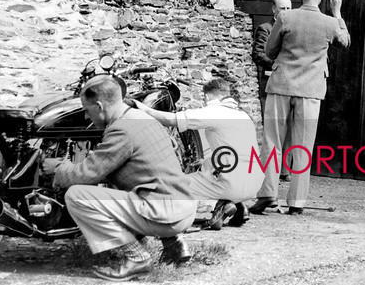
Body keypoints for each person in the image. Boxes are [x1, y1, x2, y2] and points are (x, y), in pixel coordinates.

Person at [41, 76, 198, 282]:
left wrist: (59, 168)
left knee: (77, 196)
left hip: (166, 214)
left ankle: (137, 258)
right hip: (182, 207)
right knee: (132, 180)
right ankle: (175, 246)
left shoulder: (121, 128)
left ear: (99, 106)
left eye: (87, 111)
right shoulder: (139, 117)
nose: (87, 118)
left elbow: (87, 173)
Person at [249, 0, 350, 215]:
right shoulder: (329, 22)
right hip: (310, 90)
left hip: (281, 85)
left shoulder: (285, 17)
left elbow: (269, 50)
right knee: (303, 145)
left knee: (272, 142)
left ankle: (267, 195)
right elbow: (344, 41)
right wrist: (337, 12)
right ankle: (297, 202)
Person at [137, 78, 264, 229]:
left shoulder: (214, 111)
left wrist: (143, 109)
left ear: (207, 97)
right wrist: (206, 161)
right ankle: (236, 204)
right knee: (210, 176)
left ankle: (217, 204)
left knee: (170, 187)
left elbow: (171, 120)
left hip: (231, 182)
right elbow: (237, 151)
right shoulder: (242, 115)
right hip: (254, 180)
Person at [251, 0, 294, 182]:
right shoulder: (265, 29)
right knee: (272, 127)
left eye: (289, 8)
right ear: (273, 10)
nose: (286, 12)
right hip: (270, 83)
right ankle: (270, 171)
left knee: (289, 128)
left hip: (290, 85)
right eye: (282, 8)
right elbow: (258, 54)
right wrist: (278, 64)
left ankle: (285, 170)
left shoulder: (293, 28)